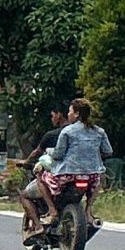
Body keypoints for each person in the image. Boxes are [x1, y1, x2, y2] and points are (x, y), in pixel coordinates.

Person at [42, 98, 113, 227]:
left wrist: (48, 151)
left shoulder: (67, 131)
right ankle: (88, 211)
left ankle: (52, 211)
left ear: (77, 114)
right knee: (97, 182)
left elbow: (58, 155)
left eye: (70, 111)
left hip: (67, 174)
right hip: (92, 176)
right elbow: (108, 151)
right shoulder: (99, 131)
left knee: (41, 179)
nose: (68, 114)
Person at [17, 106, 65, 236]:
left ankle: (39, 226)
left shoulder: (53, 135)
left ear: (59, 115)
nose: (52, 118)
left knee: (24, 195)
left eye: (52, 115)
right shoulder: (80, 135)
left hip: (58, 176)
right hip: (80, 175)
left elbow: (36, 152)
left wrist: (26, 162)